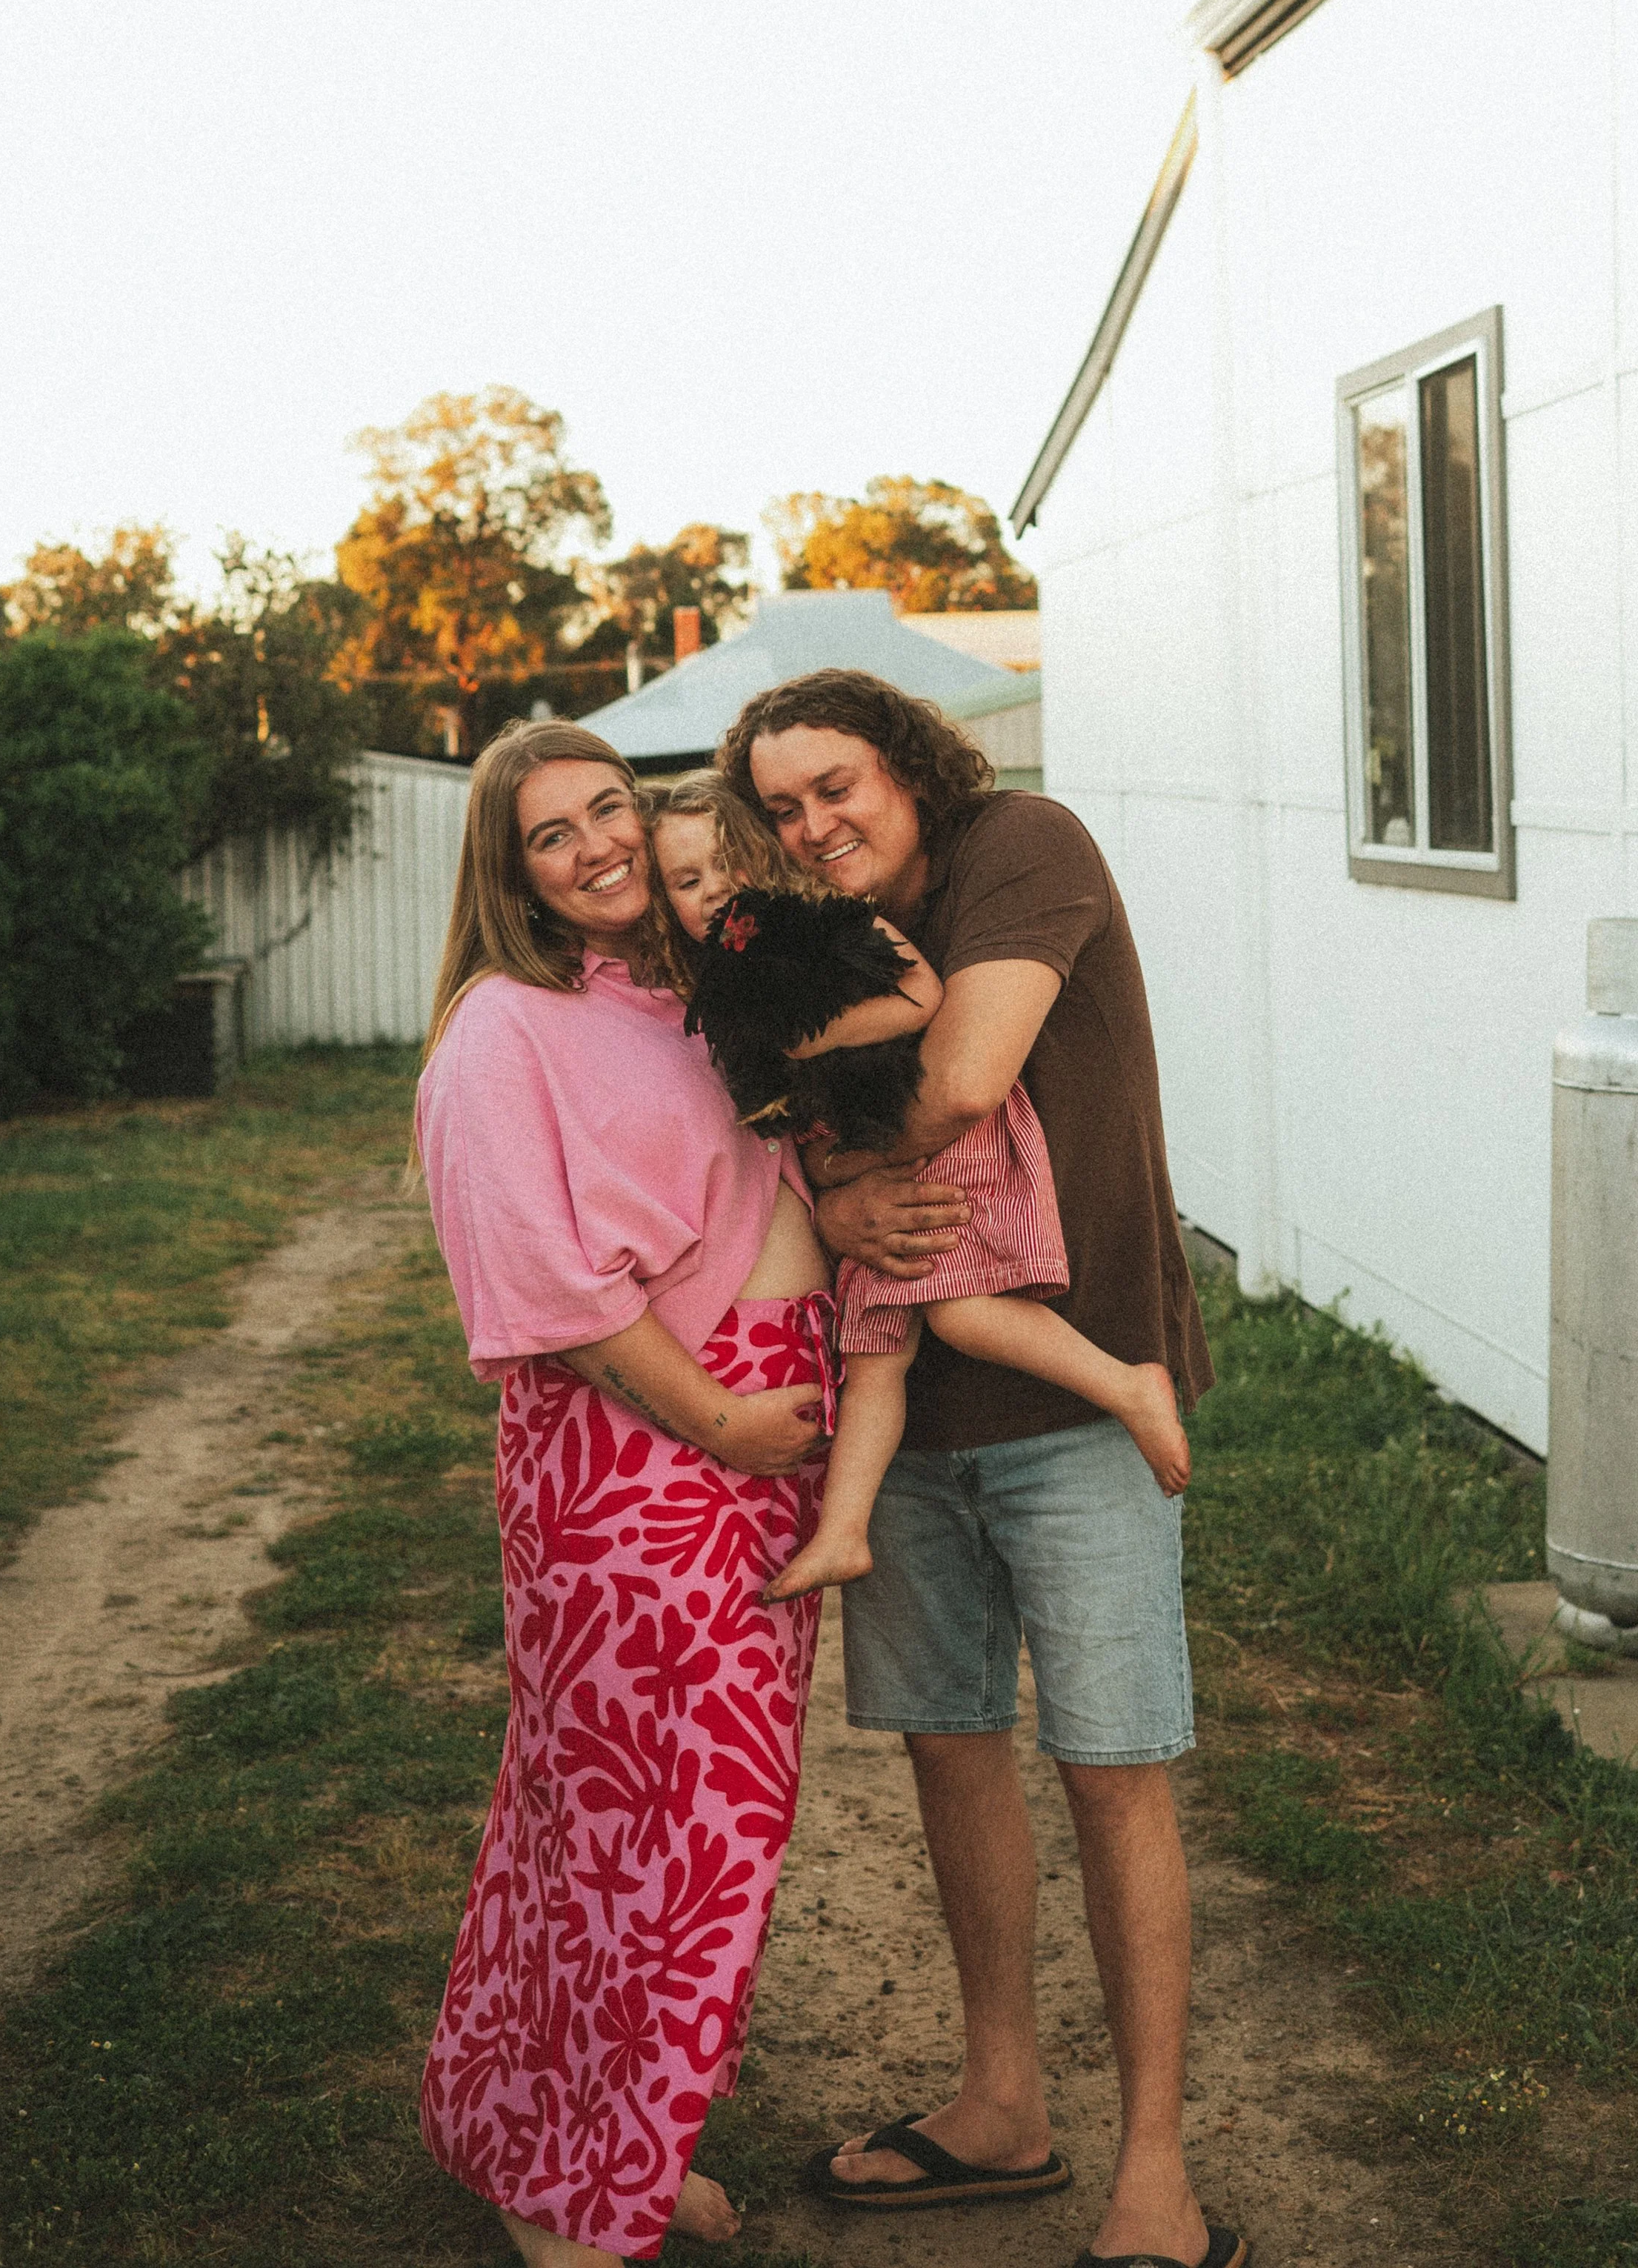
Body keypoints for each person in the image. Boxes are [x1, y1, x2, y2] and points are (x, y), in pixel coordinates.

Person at [714, 674, 1247, 2268]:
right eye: (785, 805)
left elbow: (955, 1075)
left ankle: (1152, 2168)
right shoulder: (807, 930)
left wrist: (840, 1182)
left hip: (1071, 1394)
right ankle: (998, 2101)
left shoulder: (1021, 842)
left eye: (837, 785)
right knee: (950, 1751)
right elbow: (749, 1125)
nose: (816, 823)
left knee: (1109, 1764)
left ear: (908, 769)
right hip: (907, 1403)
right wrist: (832, 1196)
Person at [414, 721, 834, 2268]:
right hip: (643, 1463)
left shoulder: (674, 997)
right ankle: (578, 2195)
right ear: (505, 868)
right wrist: (723, 1413)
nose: (596, 845)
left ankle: (588, 2149)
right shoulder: (499, 1032)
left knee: (647, 1828)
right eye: (551, 832)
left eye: (608, 808)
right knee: (653, 1830)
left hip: (744, 1457)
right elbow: (554, 1291)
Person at [652, 802, 1190, 1603]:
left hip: (940, 1131)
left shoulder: (829, 924)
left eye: (724, 870)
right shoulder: (723, 990)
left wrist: (808, 1040)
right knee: (874, 1360)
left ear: (764, 864)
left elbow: (920, 996)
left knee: (960, 1314)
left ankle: (1127, 1385)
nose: (711, 895)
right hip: (866, 1154)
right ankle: (843, 1534)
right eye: (686, 882)